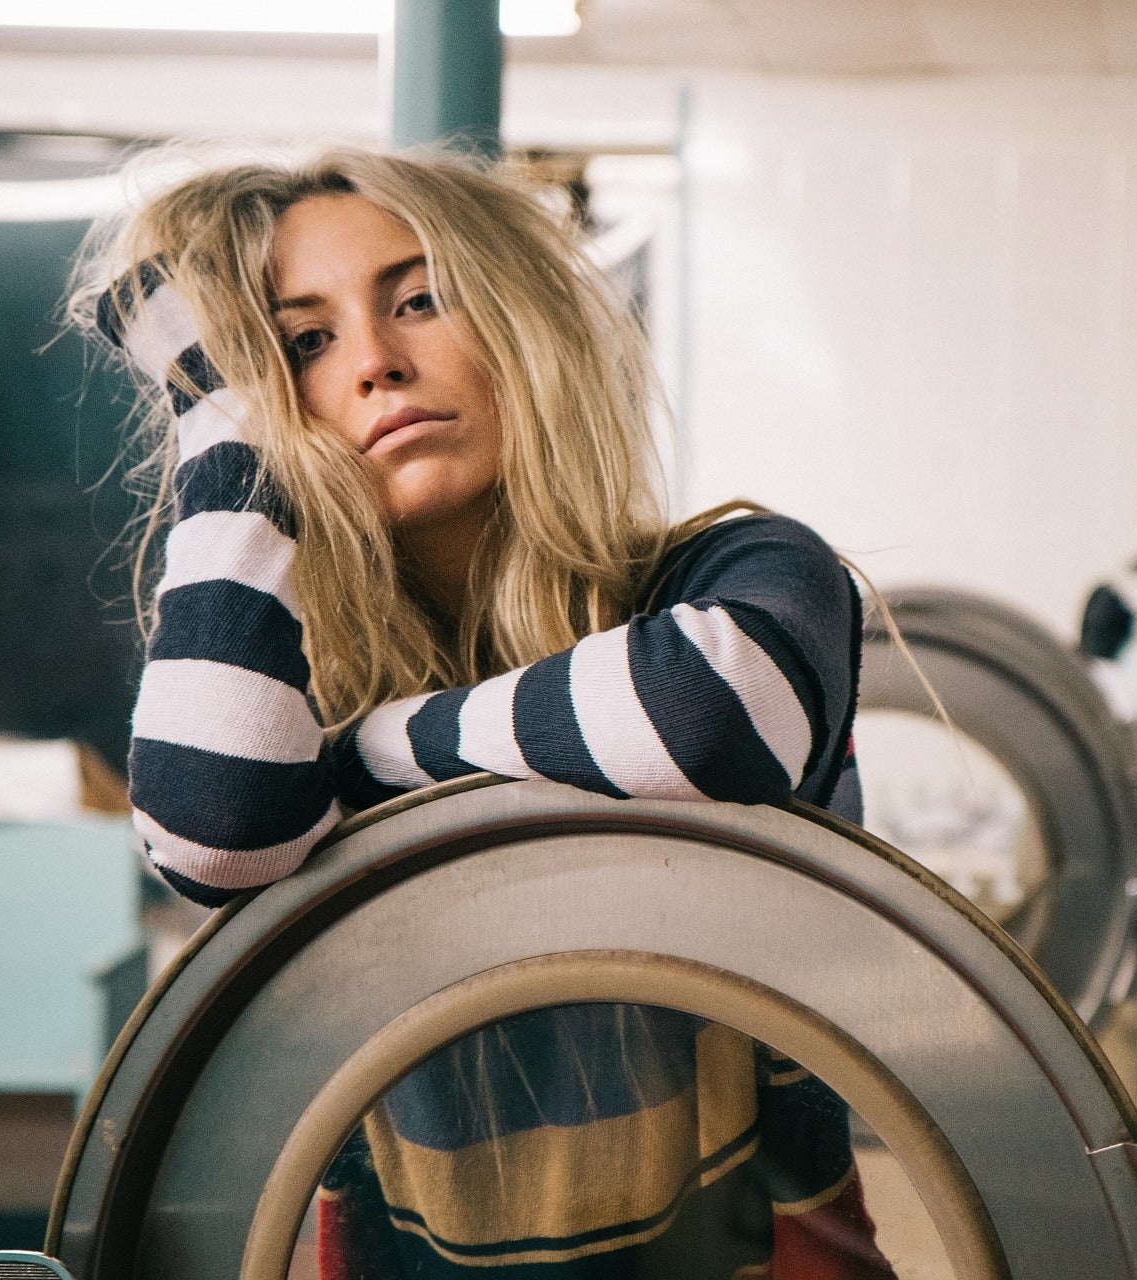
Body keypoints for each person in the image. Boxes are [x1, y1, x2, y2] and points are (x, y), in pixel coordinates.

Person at [75, 148, 892, 1279]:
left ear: (522, 323)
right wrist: (225, 436)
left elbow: (709, 719)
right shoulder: (281, 684)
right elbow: (218, 828)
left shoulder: (739, 576)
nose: (374, 363)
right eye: (302, 342)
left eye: (420, 298)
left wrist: (355, 762)